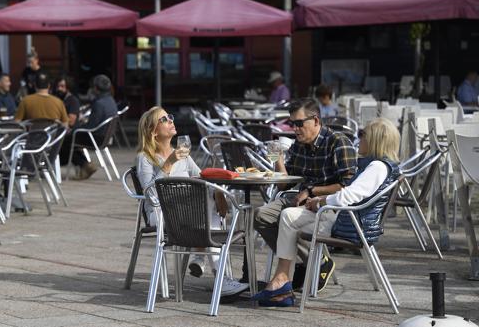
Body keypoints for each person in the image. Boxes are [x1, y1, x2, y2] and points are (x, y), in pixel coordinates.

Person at [252, 118, 400, 307]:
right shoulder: (375, 164)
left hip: (351, 224)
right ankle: (282, 281)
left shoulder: (377, 167)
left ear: (376, 140)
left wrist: (321, 201)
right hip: (347, 217)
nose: (358, 139)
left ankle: (282, 284)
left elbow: (350, 195)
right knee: (288, 215)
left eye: (362, 134)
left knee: (287, 220)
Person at [135, 106, 249, 297]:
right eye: (164, 119)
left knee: (208, 198)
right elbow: (151, 195)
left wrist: (217, 187)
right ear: (153, 132)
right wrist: (169, 163)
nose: (171, 120)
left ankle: (207, 262)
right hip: (162, 216)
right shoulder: (145, 158)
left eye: (170, 116)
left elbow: (203, 178)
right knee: (208, 212)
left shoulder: (182, 155)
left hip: (189, 214)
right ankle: (221, 277)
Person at [254, 98, 357, 292]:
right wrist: (277, 160)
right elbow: (286, 183)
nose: (295, 129)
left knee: (288, 219)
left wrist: (311, 191)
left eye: (299, 123)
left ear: (316, 120)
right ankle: (314, 261)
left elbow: (348, 186)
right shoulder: (299, 145)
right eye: (292, 124)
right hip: (297, 201)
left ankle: (289, 273)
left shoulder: (338, 142)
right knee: (260, 215)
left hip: (327, 206)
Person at [60, 75, 118, 180]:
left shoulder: (99, 104)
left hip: (96, 137)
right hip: (105, 136)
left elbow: (91, 126)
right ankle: (85, 165)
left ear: (95, 88)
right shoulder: (110, 100)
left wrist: (77, 127)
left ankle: (83, 165)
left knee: (67, 139)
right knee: (72, 139)